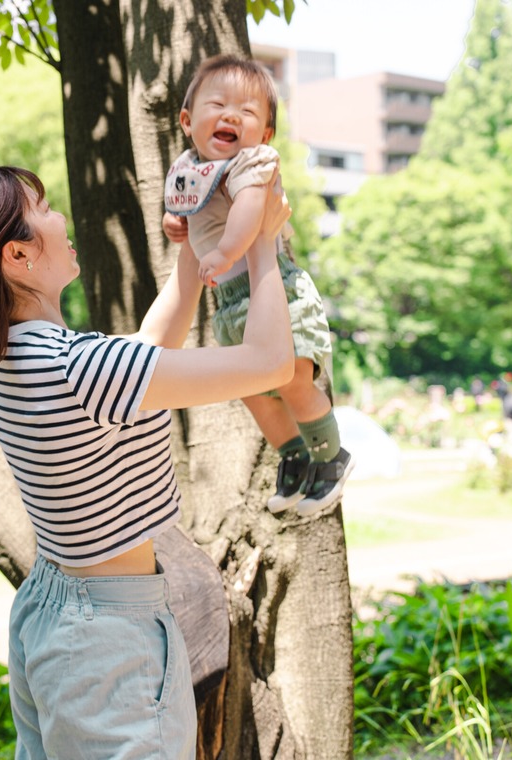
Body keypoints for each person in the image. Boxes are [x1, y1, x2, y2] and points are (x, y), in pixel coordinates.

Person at [0, 165, 292, 758]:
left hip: (56, 613)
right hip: (110, 637)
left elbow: (144, 356)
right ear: (18, 255)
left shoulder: (12, 358)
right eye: (42, 208)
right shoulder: (79, 367)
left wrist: (193, 251)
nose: (58, 217)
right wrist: (264, 240)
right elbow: (270, 362)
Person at [163, 54, 353, 517]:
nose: (231, 115)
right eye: (218, 105)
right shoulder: (189, 167)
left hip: (277, 291)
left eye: (248, 113)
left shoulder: (252, 163)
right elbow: (190, 209)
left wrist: (226, 249)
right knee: (249, 387)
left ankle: (331, 457)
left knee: (291, 379)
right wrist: (177, 221)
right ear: (188, 121)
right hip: (229, 301)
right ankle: (294, 453)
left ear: (264, 134)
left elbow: (250, 210)